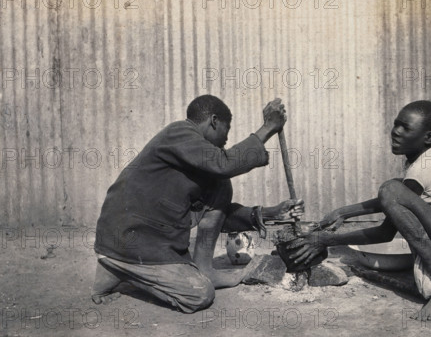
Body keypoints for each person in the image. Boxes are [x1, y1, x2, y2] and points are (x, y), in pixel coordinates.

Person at [91, 95, 303, 313]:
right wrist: (268, 127)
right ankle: (126, 271)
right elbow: (224, 163)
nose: (226, 140)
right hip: (131, 237)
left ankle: (202, 268)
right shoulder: (179, 132)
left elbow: (215, 214)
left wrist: (270, 213)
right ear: (214, 121)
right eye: (226, 130)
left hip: (147, 237)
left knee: (220, 185)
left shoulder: (191, 157)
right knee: (199, 294)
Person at [288, 100, 431, 320]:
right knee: (394, 188)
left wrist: (324, 239)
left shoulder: (424, 169)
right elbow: (395, 199)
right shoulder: (425, 162)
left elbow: (384, 232)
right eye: (396, 124)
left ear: (429, 138)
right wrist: (342, 212)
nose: (395, 132)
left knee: (391, 188)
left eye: (406, 128)